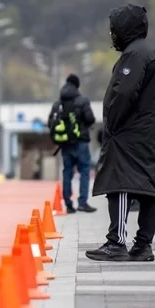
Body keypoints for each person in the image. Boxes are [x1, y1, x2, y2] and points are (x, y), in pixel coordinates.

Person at [86, 4, 155, 262]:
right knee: (148, 188)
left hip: (128, 135)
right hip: (147, 135)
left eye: (114, 29)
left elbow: (125, 92)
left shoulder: (135, 54)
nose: (112, 35)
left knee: (119, 183)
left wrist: (113, 122)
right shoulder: (148, 52)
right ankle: (143, 245)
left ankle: (116, 242)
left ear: (125, 28)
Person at [48, 73, 97, 213]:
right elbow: (90, 118)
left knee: (67, 171)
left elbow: (50, 123)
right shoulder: (82, 100)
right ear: (77, 86)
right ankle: (82, 203)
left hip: (65, 144)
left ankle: (68, 204)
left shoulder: (58, 104)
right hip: (81, 142)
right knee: (84, 171)